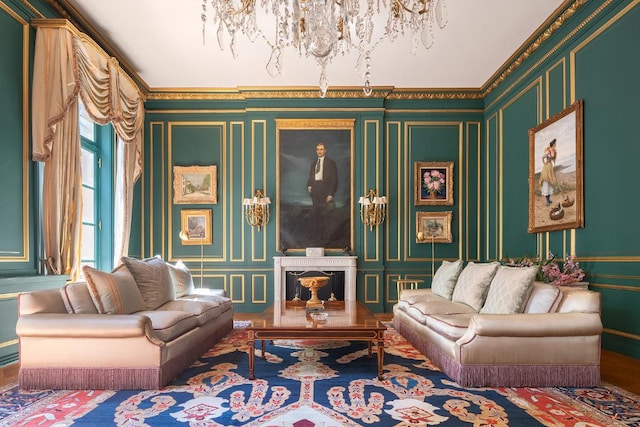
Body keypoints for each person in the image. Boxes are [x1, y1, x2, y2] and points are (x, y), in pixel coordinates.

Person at [307, 142, 338, 244]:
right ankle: (316, 237)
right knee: (316, 214)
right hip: (315, 190)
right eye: (317, 149)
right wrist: (309, 185)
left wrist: (331, 194)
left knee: (325, 215)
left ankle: (327, 238)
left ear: (325, 150)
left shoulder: (331, 163)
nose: (319, 151)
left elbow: (334, 180)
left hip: (325, 191)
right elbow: (311, 177)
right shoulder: (313, 163)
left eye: (321, 149)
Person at [539, 139, 557, 206]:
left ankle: (549, 199)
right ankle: (547, 201)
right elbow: (542, 157)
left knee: (549, 183)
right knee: (546, 182)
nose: (556, 145)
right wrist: (544, 163)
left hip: (550, 167)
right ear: (553, 144)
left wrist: (554, 161)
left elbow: (554, 159)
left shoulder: (554, 151)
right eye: (555, 144)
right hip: (546, 168)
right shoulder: (548, 151)